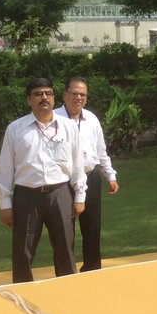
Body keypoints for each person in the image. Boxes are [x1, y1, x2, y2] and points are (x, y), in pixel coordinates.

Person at [0, 77, 87, 283]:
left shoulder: (67, 126)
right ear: (29, 100)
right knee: (23, 253)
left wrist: (79, 195)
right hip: (27, 196)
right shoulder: (15, 129)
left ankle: (68, 291)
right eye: (38, 94)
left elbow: (77, 163)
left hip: (60, 194)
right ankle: (23, 293)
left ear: (54, 98)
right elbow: (5, 168)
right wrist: (5, 203)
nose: (44, 98)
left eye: (48, 93)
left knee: (65, 249)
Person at [55, 76, 119, 272]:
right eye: (74, 94)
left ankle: (92, 269)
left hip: (90, 177)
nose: (78, 98)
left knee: (92, 227)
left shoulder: (91, 119)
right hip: (64, 181)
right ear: (65, 95)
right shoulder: (54, 119)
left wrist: (110, 175)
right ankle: (66, 271)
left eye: (82, 94)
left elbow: (100, 151)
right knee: (65, 229)